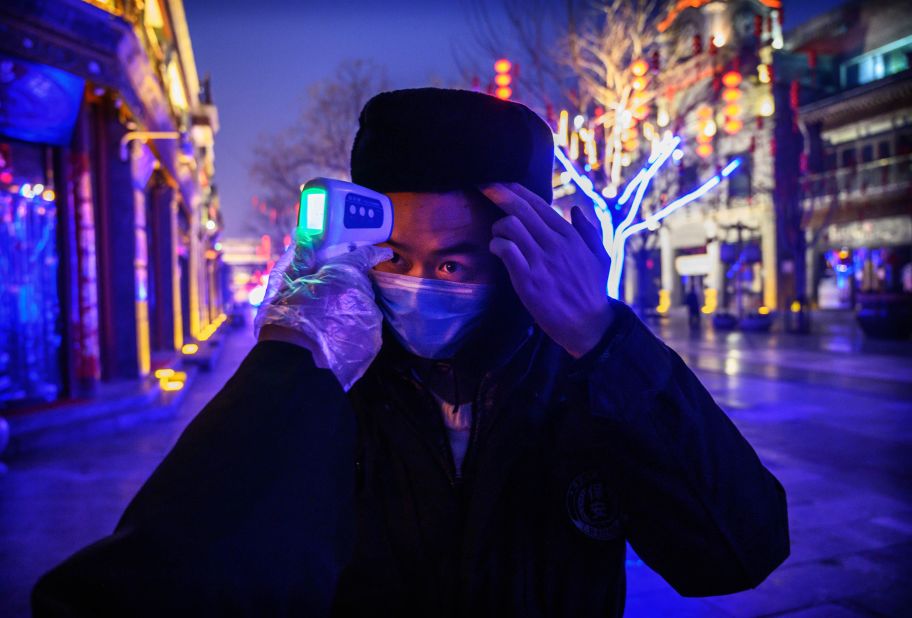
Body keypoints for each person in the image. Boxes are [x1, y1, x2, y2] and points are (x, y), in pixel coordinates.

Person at [33, 88, 788, 617]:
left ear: (520, 257)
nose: (419, 284)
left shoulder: (584, 385)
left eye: (455, 264)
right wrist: (293, 358)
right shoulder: (332, 388)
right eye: (395, 256)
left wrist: (603, 337)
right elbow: (177, 581)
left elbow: (738, 550)